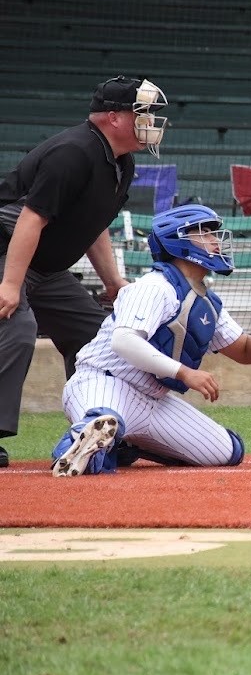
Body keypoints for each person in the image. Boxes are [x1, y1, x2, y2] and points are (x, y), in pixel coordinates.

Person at [0, 75, 168, 469]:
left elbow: (95, 223)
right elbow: (30, 219)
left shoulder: (122, 162)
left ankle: (93, 431)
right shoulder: (73, 152)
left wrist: (113, 283)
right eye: (142, 112)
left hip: (46, 268)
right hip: (9, 253)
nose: (152, 121)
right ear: (113, 117)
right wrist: (9, 284)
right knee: (16, 328)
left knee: (97, 335)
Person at [50, 204, 251, 476]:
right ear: (177, 240)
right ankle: (78, 447)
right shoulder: (154, 287)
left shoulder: (207, 303)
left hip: (152, 401)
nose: (216, 240)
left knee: (228, 451)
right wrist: (184, 373)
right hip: (104, 382)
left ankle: (121, 442)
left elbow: (243, 349)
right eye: (205, 233)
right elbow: (124, 341)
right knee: (101, 420)